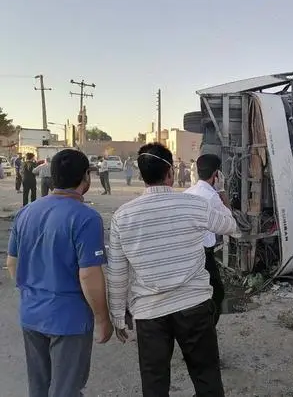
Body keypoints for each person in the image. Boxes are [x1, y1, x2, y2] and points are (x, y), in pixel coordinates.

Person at [106, 143, 238, 396]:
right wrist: (220, 192)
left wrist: (118, 316)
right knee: (207, 378)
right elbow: (230, 225)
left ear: (142, 175)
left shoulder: (123, 216)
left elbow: (117, 272)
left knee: (154, 384)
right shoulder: (193, 205)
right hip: (194, 307)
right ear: (170, 173)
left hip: (149, 313)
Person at [6, 149, 113, 396]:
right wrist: (102, 319)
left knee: (39, 387)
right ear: (86, 177)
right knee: (66, 390)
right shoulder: (86, 218)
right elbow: (89, 275)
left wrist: (32, 293)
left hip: (32, 314)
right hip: (69, 320)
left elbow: (12, 263)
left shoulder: (27, 212)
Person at [185, 154, 230, 324]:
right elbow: (228, 222)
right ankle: (207, 329)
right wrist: (222, 191)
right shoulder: (212, 196)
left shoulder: (188, 192)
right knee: (217, 293)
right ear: (216, 174)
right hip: (204, 253)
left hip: (188, 251)